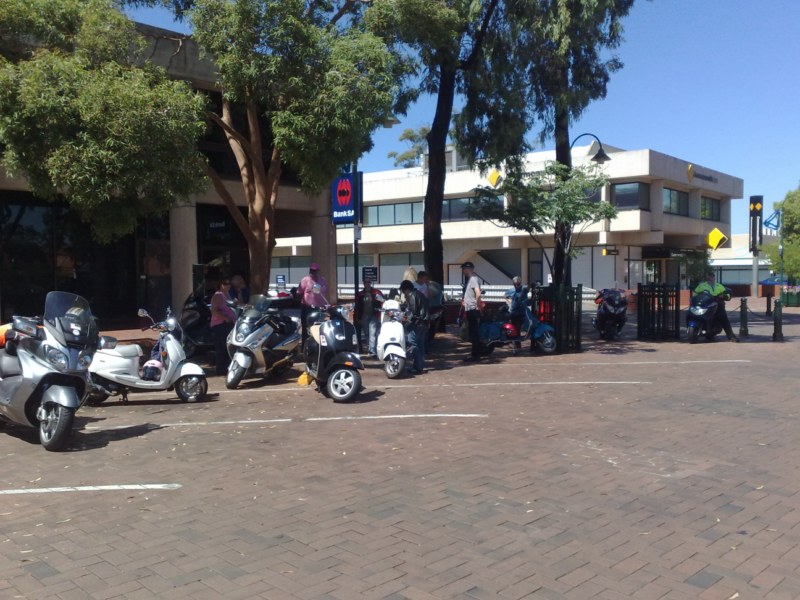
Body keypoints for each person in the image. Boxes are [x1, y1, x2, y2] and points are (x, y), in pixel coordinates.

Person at [693, 272, 738, 342]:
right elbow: (695, 294)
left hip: (718, 304)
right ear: (707, 277)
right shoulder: (701, 286)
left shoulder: (719, 286)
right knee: (698, 315)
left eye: (712, 276)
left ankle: (731, 336)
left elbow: (728, 295)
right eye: (709, 276)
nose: (710, 278)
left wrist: (724, 296)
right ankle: (695, 333)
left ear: (714, 278)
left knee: (724, 318)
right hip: (706, 304)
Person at [399, 279, 429, 374]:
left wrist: (406, 321)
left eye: (403, 291)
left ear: (407, 289)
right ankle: (420, 365)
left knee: (413, 344)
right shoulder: (419, 294)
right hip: (423, 323)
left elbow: (414, 313)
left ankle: (418, 367)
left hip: (417, 324)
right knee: (420, 345)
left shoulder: (412, 296)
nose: (404, 294)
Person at [296, 262, 329, 342]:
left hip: (319, 308)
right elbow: (299, 292)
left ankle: (319, 344)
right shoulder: (305, 280)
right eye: (311, 270)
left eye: (315, 270)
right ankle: (305, 345)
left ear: (318, 271)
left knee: (319, 328)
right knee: (307, 329)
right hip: (307, 308)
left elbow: (326, 291)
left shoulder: (322, 280)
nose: (313, 272)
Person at [210, 278, 237, 375]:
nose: (227, 285)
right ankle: (221, 370)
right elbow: (214, 310)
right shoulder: (218, 295)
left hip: (229, 324)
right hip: (220, 325)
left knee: (228, 347)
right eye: (225, 283)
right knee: (222, 348)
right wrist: (226, 318)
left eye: (229, 283)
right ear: (220, 284)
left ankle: (227, 368)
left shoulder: (228, 295)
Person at [461, 261, 484, 361]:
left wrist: (477, 306)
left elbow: (478, 294)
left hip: (472, 309)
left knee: (474, 332)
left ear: (468, 269)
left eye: (464, 269)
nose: (463, 271)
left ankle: (475, 355)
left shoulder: (473, 279)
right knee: (473, 332)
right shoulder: (471, 280)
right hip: (470, 308)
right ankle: (475, 353)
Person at [355, 277, 383, 356]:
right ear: (363, 284)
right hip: (364, 316)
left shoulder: (376, 292)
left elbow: (382, 302)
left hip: (374, 315)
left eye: (368, 282)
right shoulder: (360, 294)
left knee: (373, 333)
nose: (367, 284)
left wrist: (379, 315)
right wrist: (358, 318)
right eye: (365, 282)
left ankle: (372, 351)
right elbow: (357, 307)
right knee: (367, 334)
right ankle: (370, 349)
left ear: (370, 283)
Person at [507, 276, 528, 351]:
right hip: (513, 312)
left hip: (521, 312)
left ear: (520, 283)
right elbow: (506, 295)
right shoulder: (512, 290)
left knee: (518, 327)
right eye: (514, 284)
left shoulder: (523, 289)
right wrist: (510, 303)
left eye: (518, 284)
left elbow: (528, 289)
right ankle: (515, 343)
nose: (516, 286)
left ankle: (517, 343)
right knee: (513, 327)